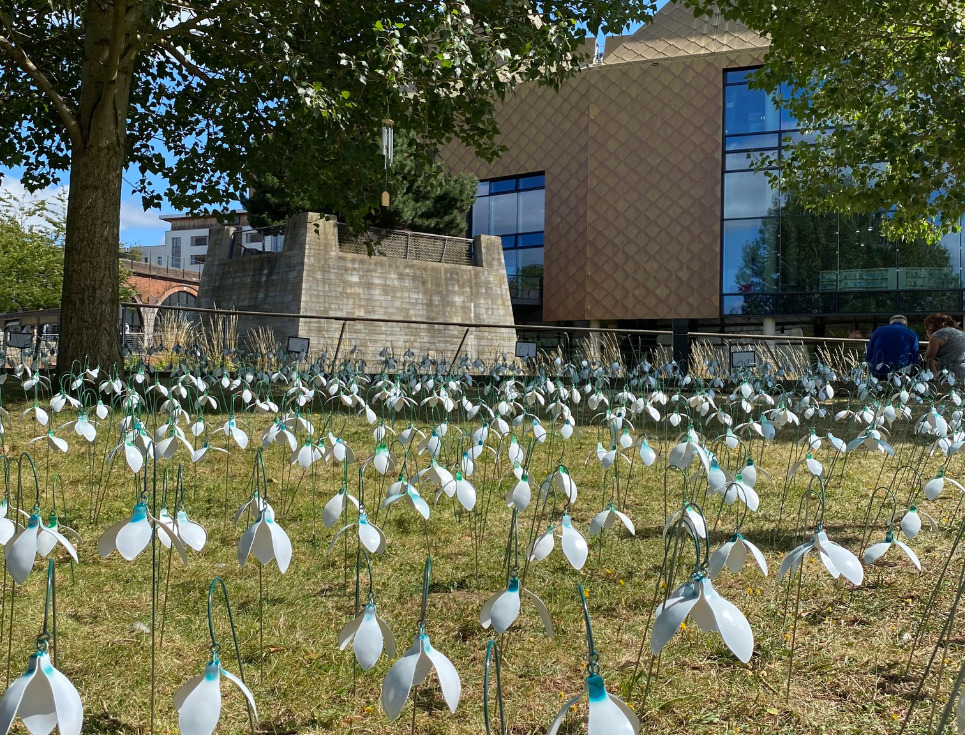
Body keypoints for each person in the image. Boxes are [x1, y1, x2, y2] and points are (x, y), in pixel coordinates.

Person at [865, 315, 921, 379]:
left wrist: (868, 366)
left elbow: (869, 351)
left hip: (876, 371)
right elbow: (914, 357)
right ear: (906, 324)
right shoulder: (912, 334)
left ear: (890, 323)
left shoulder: (878, 330)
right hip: (900, 373)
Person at [924, 313, 965, 381]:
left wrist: (930, 336)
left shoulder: (938, 335)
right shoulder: (961, 333)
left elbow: (928, 358)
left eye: (927, 326)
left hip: (947, 376)